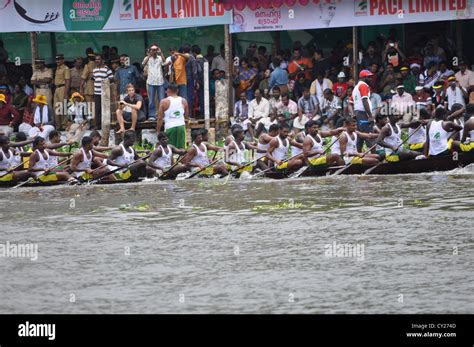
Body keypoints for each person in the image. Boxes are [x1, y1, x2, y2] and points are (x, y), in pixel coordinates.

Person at [156, 83, 188, 149]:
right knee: (181, 149)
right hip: (181, 126)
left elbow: (160, 118)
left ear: (168, 90)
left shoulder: (164, 102)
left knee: (169, 149)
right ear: (177, 90)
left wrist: (158, 131)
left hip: (170, 127)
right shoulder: (184, 101)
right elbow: (186, 116)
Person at [352, 70, 376, 152]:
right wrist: (370, 115)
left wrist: (353, 113)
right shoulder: (363, 85)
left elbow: (350, 102)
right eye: (368, 77)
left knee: (360, 136)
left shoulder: (356, 87)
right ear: (363, 77)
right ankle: (375, 156)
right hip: (363, 113)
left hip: (358, 113)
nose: (370, 79)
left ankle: (358, 155)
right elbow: (364, 100)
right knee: (369, 135)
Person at [91, 55, 114, 129]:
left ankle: (107, 125)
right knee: (97, 109)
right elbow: (94, 79)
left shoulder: (107, 69)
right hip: (96, 92)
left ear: (102, 60)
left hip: (105, 93)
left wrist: (105, 84)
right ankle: (98, 125)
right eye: (96, 59)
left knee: (106, 109)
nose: (97, 61)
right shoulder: (94, 70)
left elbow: (111, 79)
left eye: (99, 59)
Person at [53, 54, 71, 130]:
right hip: (57, 88)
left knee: (63, 107)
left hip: (63, 88)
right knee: (56, 107)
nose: (58, 61)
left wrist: (66, 93)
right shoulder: (57, 68)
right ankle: (58, 125)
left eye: (59, 59)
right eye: (57, 59)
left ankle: (64, 125)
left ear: (63, 60)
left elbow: (68, 80)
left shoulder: (66, 68)